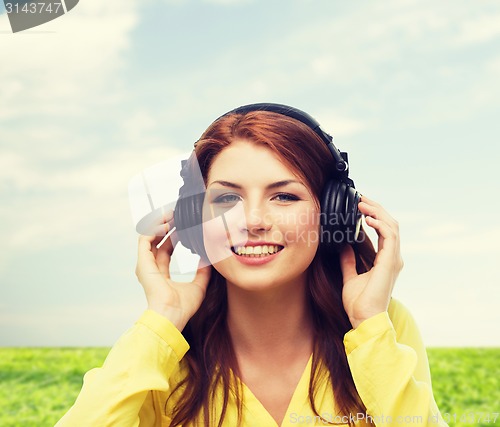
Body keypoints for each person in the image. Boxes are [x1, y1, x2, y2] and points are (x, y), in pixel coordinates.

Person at [56, 104, 448, 427]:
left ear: (332, 214)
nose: (254, 220)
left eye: (284, 197)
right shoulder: (161, 347)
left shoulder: (382, 325)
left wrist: (370, 326)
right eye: (227, 199)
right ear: (195, 220)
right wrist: (161, 321)